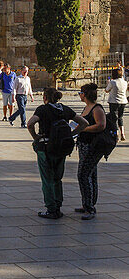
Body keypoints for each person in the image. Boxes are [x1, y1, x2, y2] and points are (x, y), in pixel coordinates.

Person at [27, 86, 83, 220]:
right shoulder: (65, 109)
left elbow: (30, 123)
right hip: (61, 148)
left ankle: (51, 208)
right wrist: (71, 134)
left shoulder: (42, 109)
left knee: (47, 179)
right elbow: (83, 123)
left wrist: (35, 136)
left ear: (45, 97)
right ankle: (58, 205)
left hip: (45, 148)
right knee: (57, 178)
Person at [75, 82, 107, 220]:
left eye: (81, 93)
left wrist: (84, 129)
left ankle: (90, 208)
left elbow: (101, 125)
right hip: (84, 145)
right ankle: (88, 203)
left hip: (92, 147)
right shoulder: (87, 107)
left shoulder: (96, 109)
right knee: (90, 175)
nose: (80, 95)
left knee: (83, 175)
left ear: (85, 94)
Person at [105, 66, 127, 141]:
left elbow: (106, 90)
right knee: (120, 117)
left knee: (113, 119)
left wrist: (108, 83)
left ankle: (116, 134)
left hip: (113, 101)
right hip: (123, 101)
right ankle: (122, 133)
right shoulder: (125, 82)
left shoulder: (113, 82)